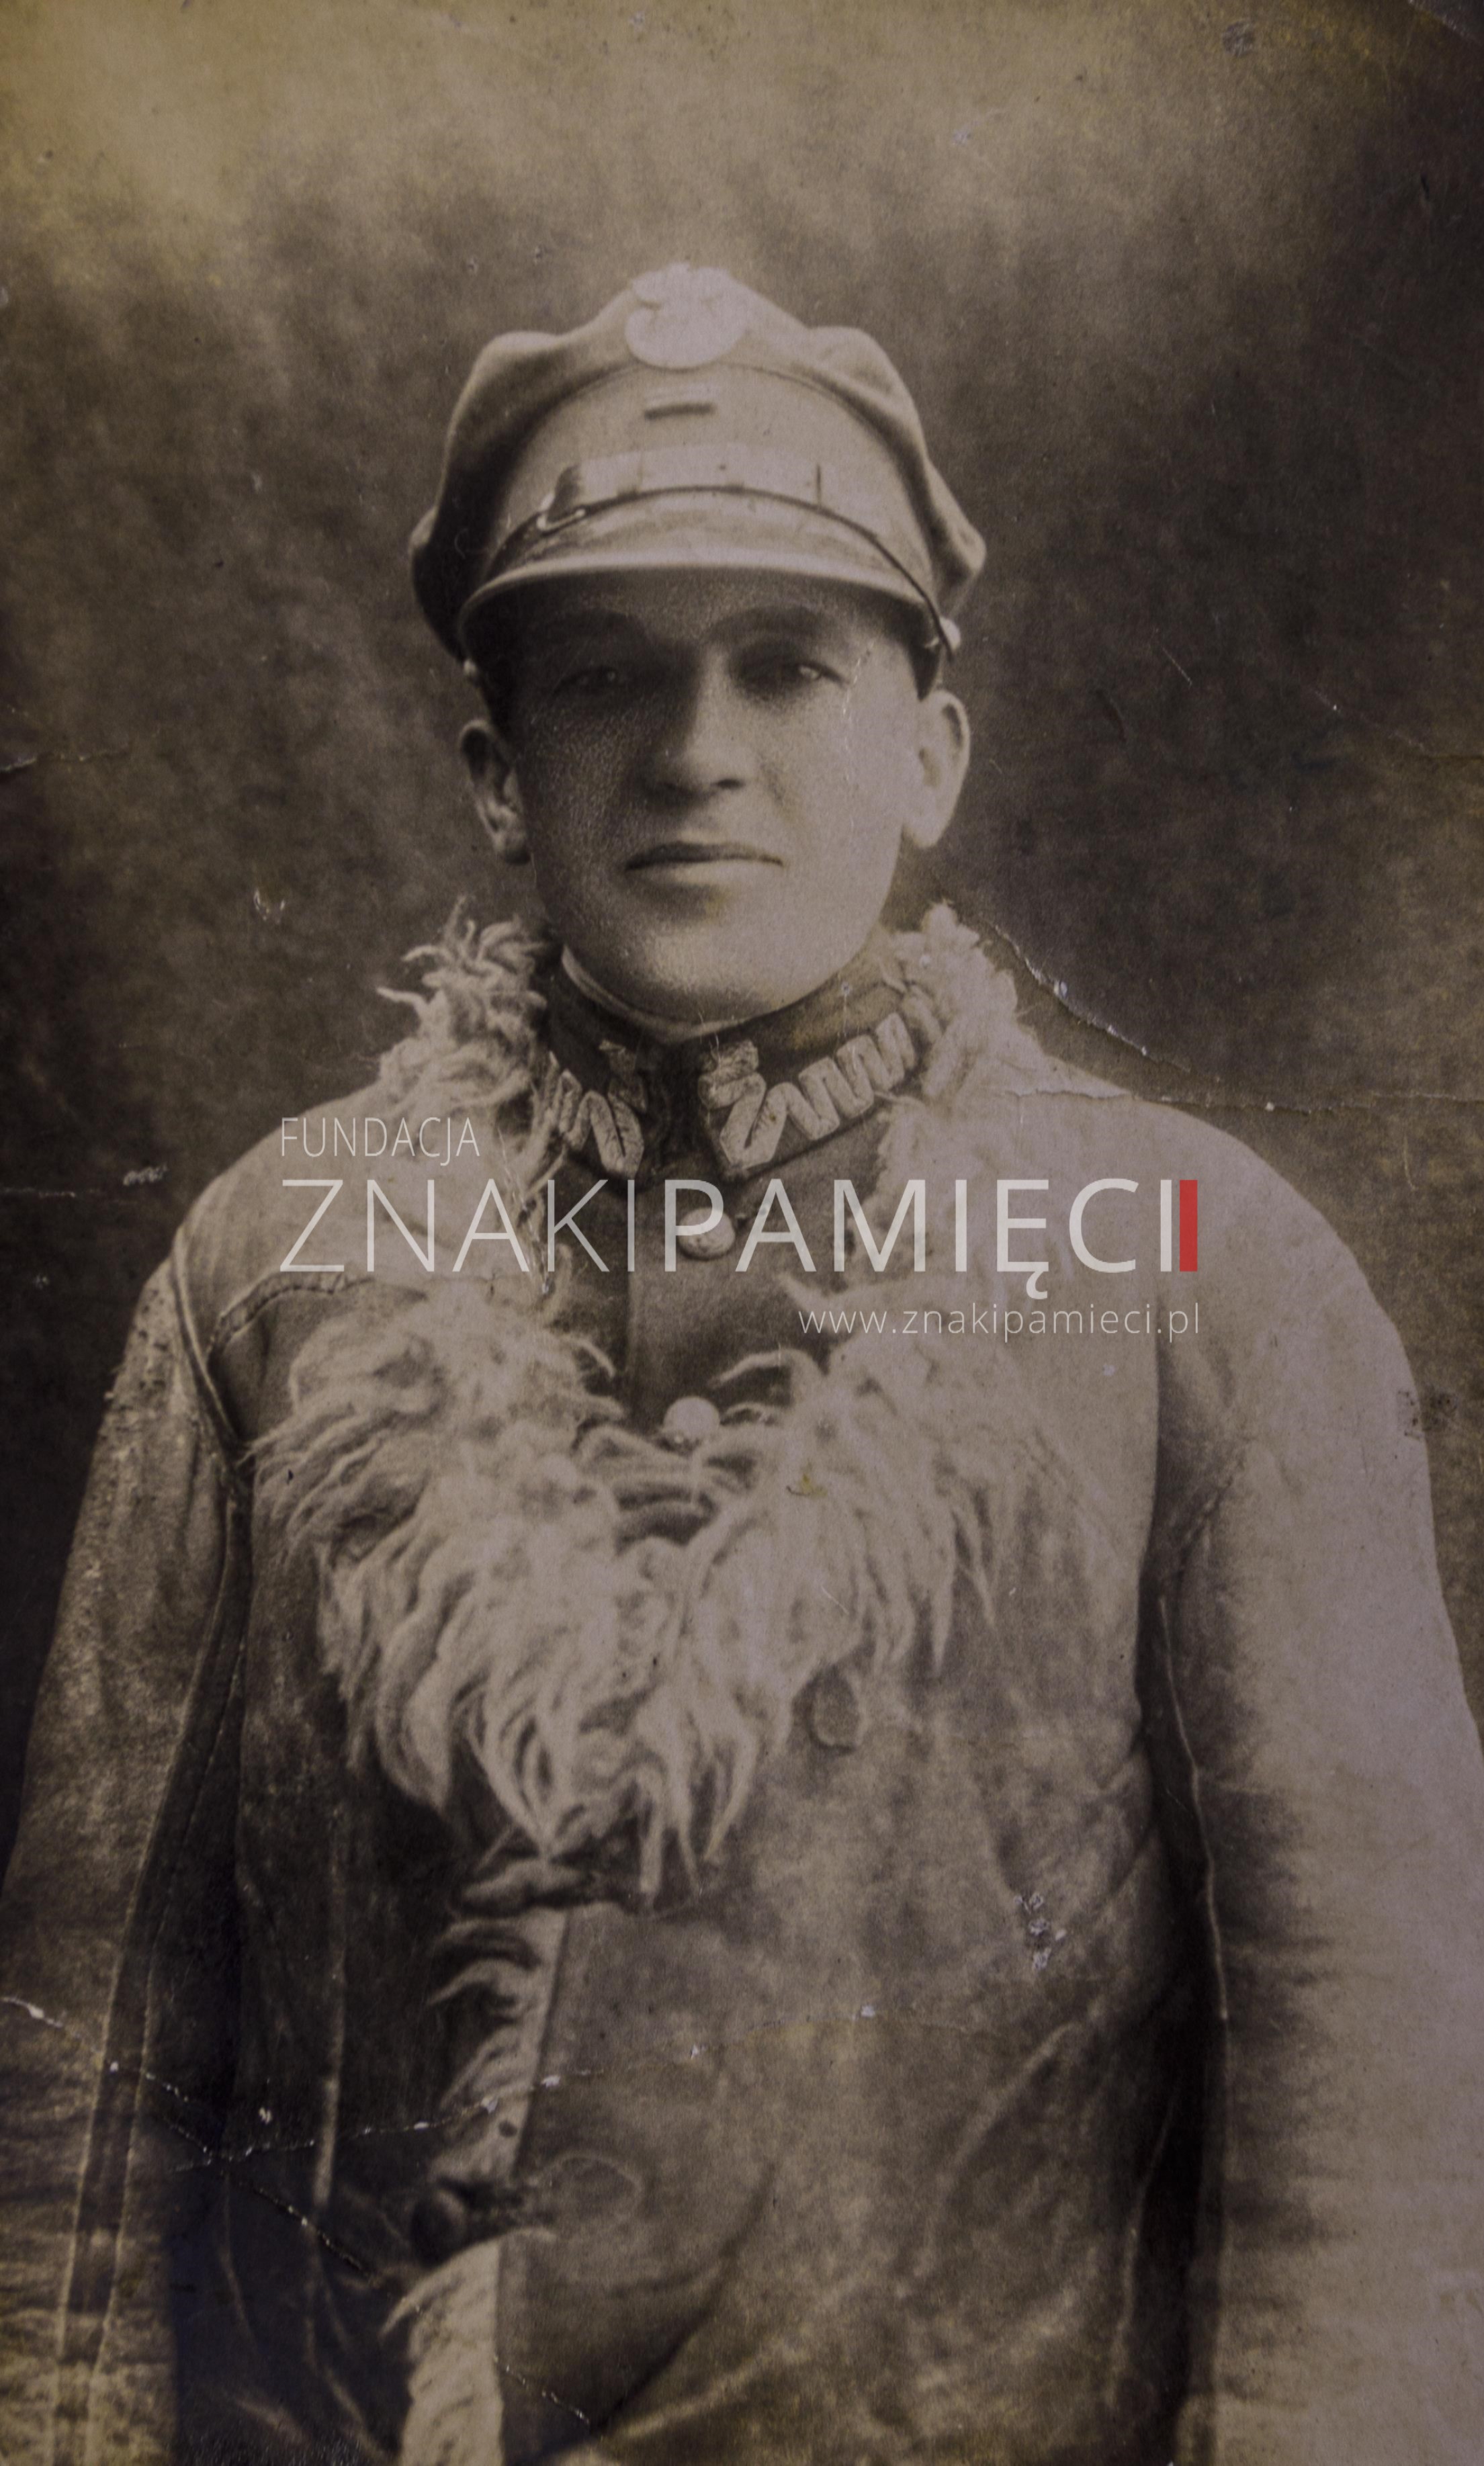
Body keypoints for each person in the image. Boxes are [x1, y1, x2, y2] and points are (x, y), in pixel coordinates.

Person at [2, 263, 1482, 2466]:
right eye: (609, 675)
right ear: (496, 776)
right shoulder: (282, 1256)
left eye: (786, 664)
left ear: (929, 754)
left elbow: (1373, 2100)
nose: (698, 751)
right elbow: (83, 2058)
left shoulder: (1202, 1269)